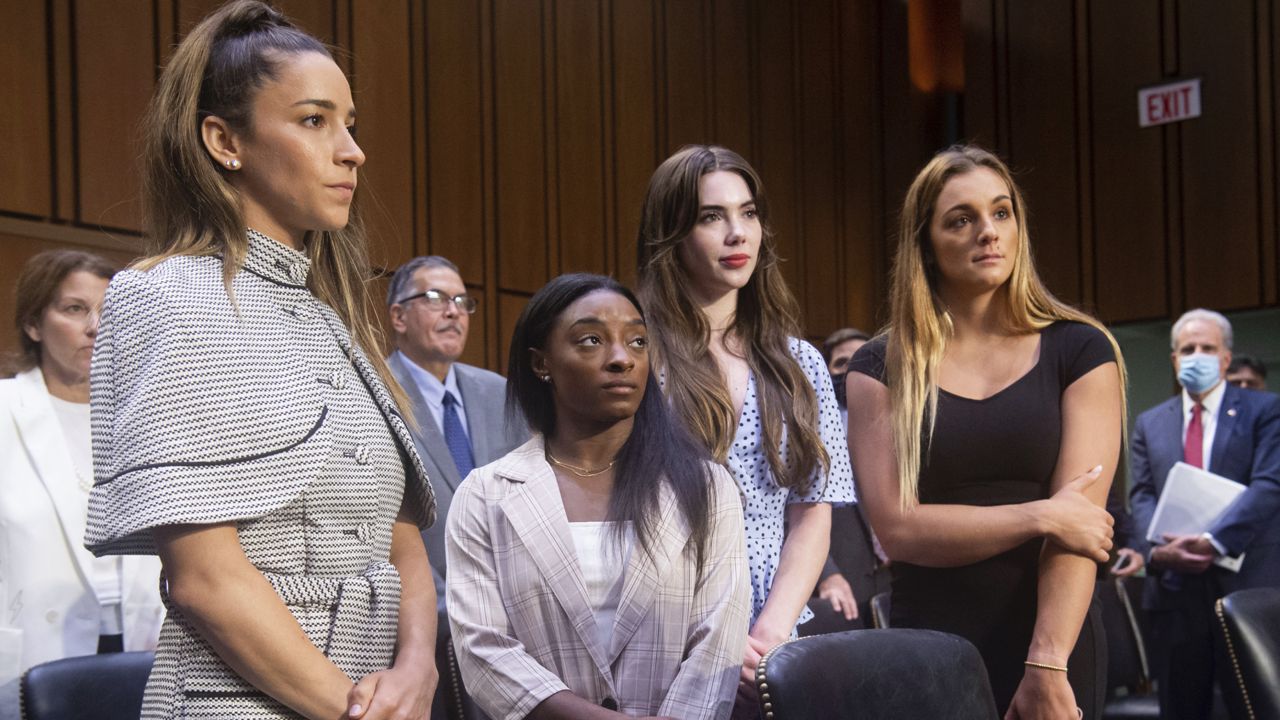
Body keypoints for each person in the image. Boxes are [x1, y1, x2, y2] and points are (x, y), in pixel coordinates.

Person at [82, 2, 438, 718]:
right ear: (224, 140)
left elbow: (401, 545)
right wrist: (357, 710)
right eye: (314, 121)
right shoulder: (168, 298)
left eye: (350, 123)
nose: (352, 151)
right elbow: (204, 581)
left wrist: (419, 667)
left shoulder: (330, 314)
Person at [845, 144, 1125, 719]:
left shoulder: (1081, 348)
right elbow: (899, 529)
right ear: (925, 240)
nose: (988, 232)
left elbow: (1081, 532)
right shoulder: (879, 367)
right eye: (961, 219)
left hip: (1056, 642)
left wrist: (1046, 664)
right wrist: (1040, 513)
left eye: (1002, 213)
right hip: (929, 647)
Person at [446, 273, 749, 720]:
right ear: (540, 363)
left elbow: (718, 640)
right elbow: (485, 650)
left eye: (638, 341)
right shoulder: (486, 494)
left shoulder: (706, 487)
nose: (621, 358)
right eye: (590, 340)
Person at [634, 145, 855, 709]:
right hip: (660, 636)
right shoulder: (637, 357)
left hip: (771, 641)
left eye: (749, 213)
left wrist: (770, 634)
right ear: (671, 233)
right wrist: (711, 642)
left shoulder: (800, 362)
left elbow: (811, 511)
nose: (738, 233)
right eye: (712, 216)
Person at [0, 251, 163, 718]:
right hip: (34, 647)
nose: (96, 326)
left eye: (108, 311)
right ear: (34, 325)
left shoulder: (146, 415)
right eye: (75, 309)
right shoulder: (5, 409)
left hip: (141, 642)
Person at [1128, 308, 1280, 720]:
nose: (1197, 355)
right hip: (1175, 594)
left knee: (1254, 708)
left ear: (1226, 358)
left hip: (1245, 586)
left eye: (1207, 348)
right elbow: (1141, 494)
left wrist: (1212, 540)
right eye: (1187, 349)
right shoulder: (1150, 422)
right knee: (1181, 707)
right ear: (1175, 359)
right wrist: (1156, 551)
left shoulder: (1265, 410)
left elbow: (1270, 484)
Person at [385, 255, 528, 604]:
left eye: (462, 301)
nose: (454, 312)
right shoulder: (375, 392)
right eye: (435, 298)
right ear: (399, 317)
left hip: (510, 604)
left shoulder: (499, 393)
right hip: (420, 613)